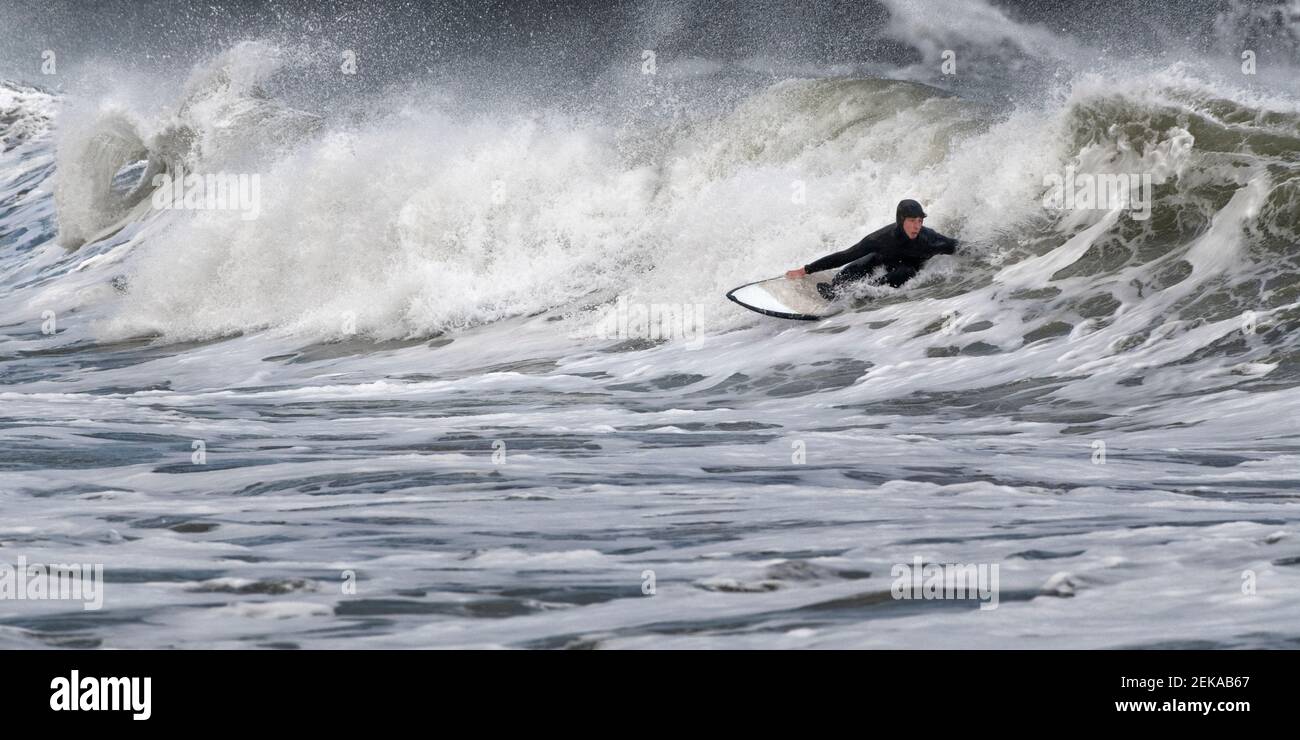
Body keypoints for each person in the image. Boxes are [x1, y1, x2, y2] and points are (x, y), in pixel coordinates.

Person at [786, 199, 958, 300]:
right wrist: (806, 270)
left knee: (903, 272)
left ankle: (860, 295)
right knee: (853, 268)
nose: (917, 226)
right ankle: (836, 290)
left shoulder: (929, 240)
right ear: (901, 220)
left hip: (906, 268)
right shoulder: (882, 238)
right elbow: (846, 255)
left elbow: (958, 246)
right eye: (912, 221)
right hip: (883, 259)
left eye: (920, 221)